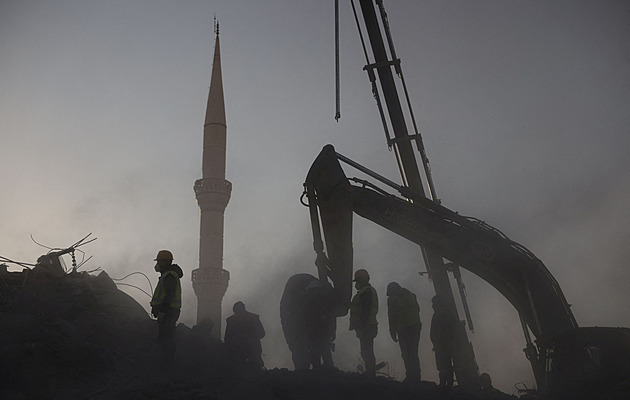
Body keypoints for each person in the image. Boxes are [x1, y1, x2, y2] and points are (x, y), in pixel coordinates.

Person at [150, 249, 183, 366]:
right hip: (169, 311)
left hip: (168, 312)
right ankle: (166, 362)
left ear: (165, 262)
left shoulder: (169, 276)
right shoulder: (168, 275)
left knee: (166, 338)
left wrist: (163, 311)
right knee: (165, 336)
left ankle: (167, 364)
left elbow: (169, 295)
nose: (157, 264)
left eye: (159, 261)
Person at [386, 282, 422, 382]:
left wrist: (392, 331)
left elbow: (392, 316)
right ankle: (416, 376)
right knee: (413, 352)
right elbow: (418, 309)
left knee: (406, 353)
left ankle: (411, 376)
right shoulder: (412, 295)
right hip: (416, 327)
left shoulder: (392, 300)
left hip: (403, 328)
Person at [349, 268, 378, 377]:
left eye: (357, 281)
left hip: (367, 326)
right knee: (366, 350)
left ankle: (371, 373)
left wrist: (361, 325)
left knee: (367, 351)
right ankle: (370, 372)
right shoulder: (366, 292)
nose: (356, 284)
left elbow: (365, 310)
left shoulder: (366, 292)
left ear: (362, 280)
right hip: (368, 325)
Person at [224, 301, 265, 370]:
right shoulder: (254, 318)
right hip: (243, 353)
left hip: (246, 353)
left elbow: (227, 339)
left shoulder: (231, 320)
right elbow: (262, 333)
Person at [430, 295, 455, 388]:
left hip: (443, 344)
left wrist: (440, 342)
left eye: (434, 303)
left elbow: (444, 330)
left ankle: (446, 384)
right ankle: (446, 383)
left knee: (444, 364)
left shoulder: (441, 314)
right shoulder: (439, 314)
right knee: (443, 364)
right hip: (440, 344)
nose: (433, 306)